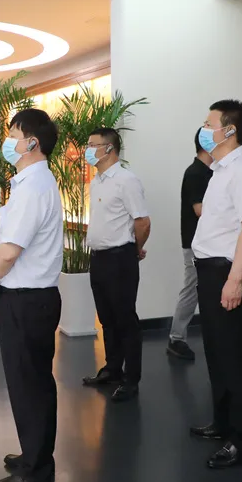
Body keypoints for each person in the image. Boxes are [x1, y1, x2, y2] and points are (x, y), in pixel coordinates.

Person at [0, 108, 62, 482]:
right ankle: (34, 454)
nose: (7, 142)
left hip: (29, 300)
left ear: (32, 143)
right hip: (24, 297)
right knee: (28, 381)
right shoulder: (28, 183)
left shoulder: (34, 186)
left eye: (13, 135)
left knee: (30, 384)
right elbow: (4, 243)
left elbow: (11, 252)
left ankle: (36, 468)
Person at [189, 99, 242, 469]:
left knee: (235, 358)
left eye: (209, 124)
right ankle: (223, 422)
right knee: (217, 354)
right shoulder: (220, 170)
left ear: (229, 130)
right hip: (210, 272)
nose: (204, 130)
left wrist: (234, 280)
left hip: (227, 273)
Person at [80, 128, 151, 401]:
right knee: (107, 319)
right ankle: (112, 369)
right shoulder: (97, 181)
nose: (88, 150)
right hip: (98, 258)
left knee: (125, 320)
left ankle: (131, 379)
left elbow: (142, 222)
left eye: (93, 145)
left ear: (109, 148)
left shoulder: (126, 180)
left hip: (120, 259)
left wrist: (134, 249)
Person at [166, 129, 213, 361]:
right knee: (191, 288)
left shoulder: (210, 172)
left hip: (208, 243)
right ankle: (176, 338)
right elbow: (199, 210)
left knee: (204, 289)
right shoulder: (195, 173)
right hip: (195, 243)